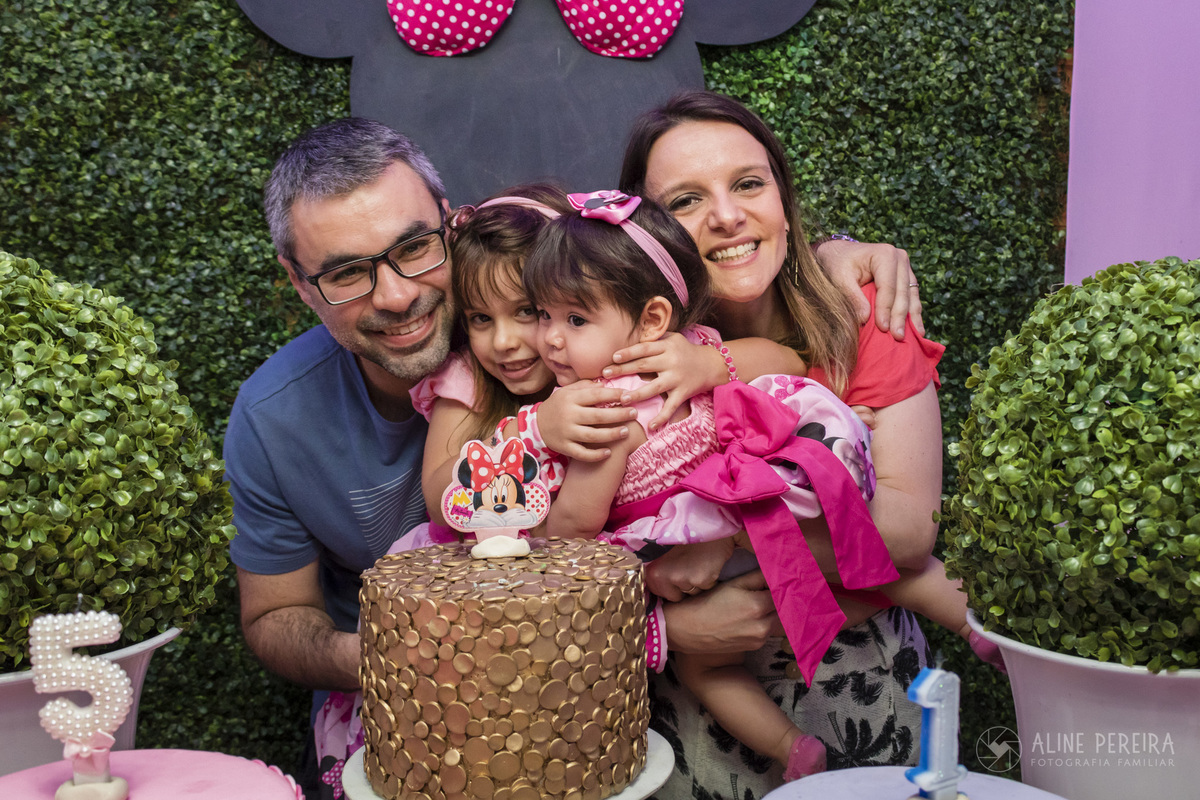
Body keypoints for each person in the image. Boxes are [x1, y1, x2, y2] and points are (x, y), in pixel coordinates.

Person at [224, 115, 924, 793]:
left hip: (647, 666)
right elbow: (284, 614)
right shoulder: (298, 413)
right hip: (477, 688)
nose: (398, 294)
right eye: (346, 273)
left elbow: (734, 312)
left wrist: (835, 254)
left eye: (414, 249)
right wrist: (429, 654)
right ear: (297, 279)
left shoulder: (566, 291)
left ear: (452, 222)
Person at [521, 90, 948, 798]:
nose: (726, 215)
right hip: (694, 708)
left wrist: (720, 537)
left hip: (859, 681)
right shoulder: (604, 349)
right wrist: (668, 624)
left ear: (783, 195)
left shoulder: (863, 315)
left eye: (749, 184)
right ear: (648, 231)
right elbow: (559, 550)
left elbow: (904, 535)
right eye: (686, 201)